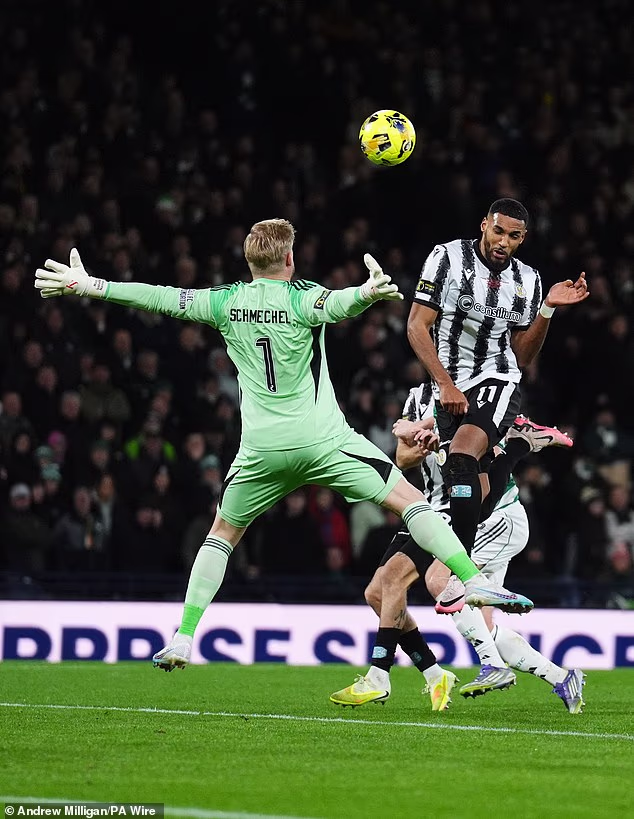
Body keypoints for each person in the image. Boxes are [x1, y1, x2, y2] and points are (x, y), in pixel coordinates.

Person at [35, 218, 534, 680]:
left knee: (222, 535)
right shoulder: (302, 299)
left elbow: (158, 297)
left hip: (262, 451)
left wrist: (90, 285)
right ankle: (469, 579)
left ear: (250, 261)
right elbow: (339, 305)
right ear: (290, 260)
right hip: (323, 442)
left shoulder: (224, 302)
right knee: (412, 503)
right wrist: (367, 291)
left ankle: (184, 636)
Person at [331, 382, 584, 713]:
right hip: (425, 507)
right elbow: (402, 457)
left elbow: (488, 463)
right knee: (377, 594)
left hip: (471, 513)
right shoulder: (417, 397)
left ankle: (383, 674)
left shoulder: (477, 394)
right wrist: (424, 443)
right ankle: (558, 678)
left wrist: (455, 442)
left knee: (427, 580)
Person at [407, 199, 589, 608]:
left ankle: (466, 573)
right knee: (481, 484)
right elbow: (417, 325)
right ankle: (518, 447)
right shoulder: (447, 258)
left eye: (514, 236)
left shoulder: (528, 280)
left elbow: (522, 357)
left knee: (460, 457)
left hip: (497, 377)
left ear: (523, 238)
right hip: (450, 381)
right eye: (498, 231)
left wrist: (547, 310)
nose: (503, 242)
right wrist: (444, 383)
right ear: (484, 225)